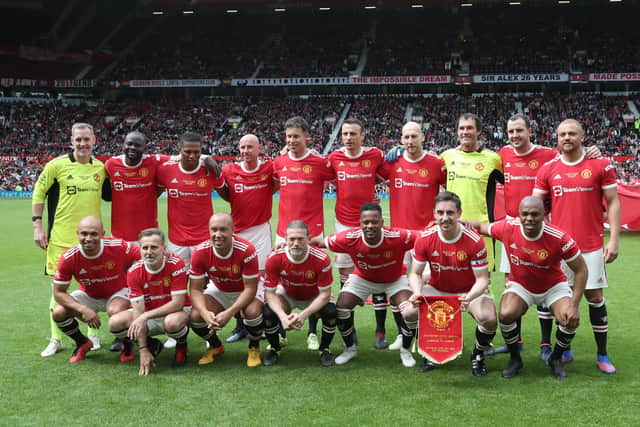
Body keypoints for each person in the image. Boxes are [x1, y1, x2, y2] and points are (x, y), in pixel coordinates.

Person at [106, 130, 218, 351]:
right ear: (122, 144)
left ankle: (201, 328)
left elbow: (185, 156)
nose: (132, 149)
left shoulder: (157, 162)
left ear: (145, 148)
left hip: (152, 234)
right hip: (122, 237)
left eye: (137, 145)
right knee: (131, 284)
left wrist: (205, 157)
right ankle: (129, 334)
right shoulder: (110, 164)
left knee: (198, 283)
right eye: (129, 144)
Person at [533, 118, 621, 374]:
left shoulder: (600, 165)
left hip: (591, 245)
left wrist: (613, 239)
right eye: (562, 134)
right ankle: (561, 346)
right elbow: (537, 207)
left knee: (594, 297)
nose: (567, 138)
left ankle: (602, 354)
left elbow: (613, 202)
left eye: (572, 133)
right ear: (557, 138)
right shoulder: (548, 169)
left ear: (582, 137)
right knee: (557, 297)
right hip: (558, 248)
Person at [469, 196, 587, 379]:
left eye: (534, 214)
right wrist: (455, 223)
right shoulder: (508, 228)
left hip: (553, 286)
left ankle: (555, 359)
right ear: (518, 215)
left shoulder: (559, 237)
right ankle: (515, 359)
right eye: (524, 214)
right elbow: (479, 227)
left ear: (544, 215)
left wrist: (574, 303)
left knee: (570, 318)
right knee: (505, 314)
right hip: (521, 286)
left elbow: (581, 270)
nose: (529, 218)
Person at [32, 122, 109, 357]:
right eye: (78, 139)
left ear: (94, 140)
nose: (83, 143)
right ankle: (56, 339)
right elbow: (38, 191)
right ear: (72, 141)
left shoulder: (101, 168)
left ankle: (92, 335)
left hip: (91, 242)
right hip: (61, 241)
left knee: (92, 289)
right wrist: (37, 225)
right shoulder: (56, 166)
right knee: (59, 290)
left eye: (87, 139)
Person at [406, 191, 497, 376]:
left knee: (489, 318)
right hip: (437, 289)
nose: (445, 217)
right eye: (440, 213)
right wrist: (417, 293)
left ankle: (478, 355)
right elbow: (415, 273)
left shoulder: (474, 241)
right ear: (434, 214)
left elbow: (482, 279)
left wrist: (469, 297)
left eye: (450, 213)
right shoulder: (424, 238)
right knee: (408, 312)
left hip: (468, 290)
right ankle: (430, 350)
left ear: (459, 213)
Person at [318, 202, 418, 368]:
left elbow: (425, 237)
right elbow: (320, 243)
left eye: (374, 222)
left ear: (381, 222)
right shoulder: (350, 238)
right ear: (360, 223)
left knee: (409, 311)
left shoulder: (397, 236)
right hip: (363, 279)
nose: (370, 225)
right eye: (366, 222)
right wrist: (294, 243)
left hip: (394, 279)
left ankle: (405, 350)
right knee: (341, 307)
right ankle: (350, 349)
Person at [327, 118, 395, 350]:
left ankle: (380, 331)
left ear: (362, 136)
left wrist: (400, 154)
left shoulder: (374, 155)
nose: (348, 138)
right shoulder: (334, 158)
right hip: (344, 224)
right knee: (346, 276)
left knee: (377, 272)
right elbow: (317, 171)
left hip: (371, 224)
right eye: (345, 134)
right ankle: (351, 330)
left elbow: (392, 174)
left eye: (353, 134)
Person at [379, 121, 447, 350]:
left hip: (427, 236)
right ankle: (403, 333)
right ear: (401, 138)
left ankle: (430, 332)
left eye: (414, 136)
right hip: (399, 237)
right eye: (406, 137)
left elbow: (451, 190)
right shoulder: (393, 162)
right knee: (398, 286)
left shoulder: (436, 164)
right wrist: (382, 156)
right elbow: (368, 169)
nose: (410, 141)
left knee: (427, 285)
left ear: (423, 137)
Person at [272, 116, 334, 350]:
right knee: (281, 284)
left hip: (312, 232)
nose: (291, 140)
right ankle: (280, 333)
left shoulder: (320, 162)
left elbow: (344, 181)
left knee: (312, 284)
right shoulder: (279, 162)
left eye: (296, 136)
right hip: (283, 232)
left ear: (307, 137)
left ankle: (312, 331)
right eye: (288, 136)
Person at [51, 217, 139, 363]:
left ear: (103, 234)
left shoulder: (117, 246)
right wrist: (82, 309)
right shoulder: (69, 257)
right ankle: (82, 343)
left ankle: (127, 343)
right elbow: (58, 292)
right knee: (59, 312)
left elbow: (144, 254)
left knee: (115, 310)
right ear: (77, 233)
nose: (88, 238)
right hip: (89, 295)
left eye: (94, 234)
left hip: (118, 291)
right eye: (84, 234)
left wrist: (164, 251)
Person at [217, 133, 276, 344]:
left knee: (259, 279)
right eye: (242, 147)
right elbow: (225, 193)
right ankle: (240, 326)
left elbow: (276, 185)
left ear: (259, 148)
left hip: (260, 231)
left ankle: (265, 324)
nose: (245, 151)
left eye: (249, 147)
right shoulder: (229, 170)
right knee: (237, 279)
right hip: (237, 232)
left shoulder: (269, 168)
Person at [109, 228, 190, 376]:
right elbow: (138, 312)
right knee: (115, 323)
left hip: (174, 312)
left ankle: (181, 346)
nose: (148, 252)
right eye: (145, 247)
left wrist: (145, 316)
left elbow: (177, 303)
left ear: (164, 248)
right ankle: (152, 345)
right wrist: (143, 349)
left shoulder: (176, 264)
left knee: (172, 323)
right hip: (149, 314)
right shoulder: (134, 272)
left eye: (154, 247)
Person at [188, 213, 264, 368]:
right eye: (214, 230)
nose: (218, 235)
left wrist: (230, 312)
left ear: (232, 230)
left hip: (246, 288)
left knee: (252, 312)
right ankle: (215, 346)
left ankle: (254, 347)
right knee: (195, 316)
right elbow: (195, 290)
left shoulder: (246, 250)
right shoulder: (199, 252)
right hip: (220, 288)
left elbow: (250, 287)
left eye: (223, 229)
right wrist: (205, 313)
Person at [261, 220, 336, 367]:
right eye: (292, 239)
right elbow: (269, 293)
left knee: (331, 312)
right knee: (268, 313)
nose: (296, 243)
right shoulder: (274, 257)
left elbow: (325, 295)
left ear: (309, 238)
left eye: (300, 239)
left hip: (314, 294)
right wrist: (283, 317)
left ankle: (325, 349)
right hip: (287, 293)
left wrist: (303, 316)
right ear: (285, 239)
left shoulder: (321, 258)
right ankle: (275, 349)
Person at [440, 113, 503, 272]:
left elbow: (513, 182)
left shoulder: (493, 159)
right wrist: (401, 150)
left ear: (478, 131)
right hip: (452, 227)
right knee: (452, 281)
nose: (465, 132)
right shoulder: (447, 157)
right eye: (461, 128)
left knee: (483, 284)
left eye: (469, 128)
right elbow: (424, 170)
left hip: (481, 229)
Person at [156, 131, 224, 268]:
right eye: (187, 152)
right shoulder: (165, 170)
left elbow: (227, 195)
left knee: (205, 281)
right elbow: (153, 196)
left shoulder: (211, 170)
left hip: (204, 238)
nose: (192, 156)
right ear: (179, 150)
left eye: (197, 152)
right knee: (178, 280)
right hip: (176, 240)